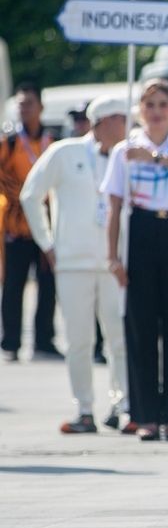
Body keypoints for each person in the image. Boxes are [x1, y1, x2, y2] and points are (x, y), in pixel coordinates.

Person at [101, 79, 168, 441]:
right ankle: (144, 414)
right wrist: (112, 255)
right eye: (150, 105)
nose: (157, 112)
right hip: (141, 229)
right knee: (140, 325)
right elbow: (113, 206)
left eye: (163, 104)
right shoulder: (124, 150)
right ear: (140, 109)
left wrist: (157, 158)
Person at [20, 96, 130, 434]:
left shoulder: (128, 156)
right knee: (79, 340)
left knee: (119, 337)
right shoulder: (64, 152)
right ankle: (84, 409)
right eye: (120, 119)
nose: (127, 125)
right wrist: (47, 243)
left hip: (114, 263)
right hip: (73, 263)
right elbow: (30, 194)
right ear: (103, 121)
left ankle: (123, 405)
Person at [0, 82, 60, 362]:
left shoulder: (51, 141)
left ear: (41, 106)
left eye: (30, 104)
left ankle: (44, 340)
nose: (25, 109)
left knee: (48, 284)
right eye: (21, 104)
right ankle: (11, 341)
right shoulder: (9, 142)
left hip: (45, 226)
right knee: (14, 285)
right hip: (16, 226)